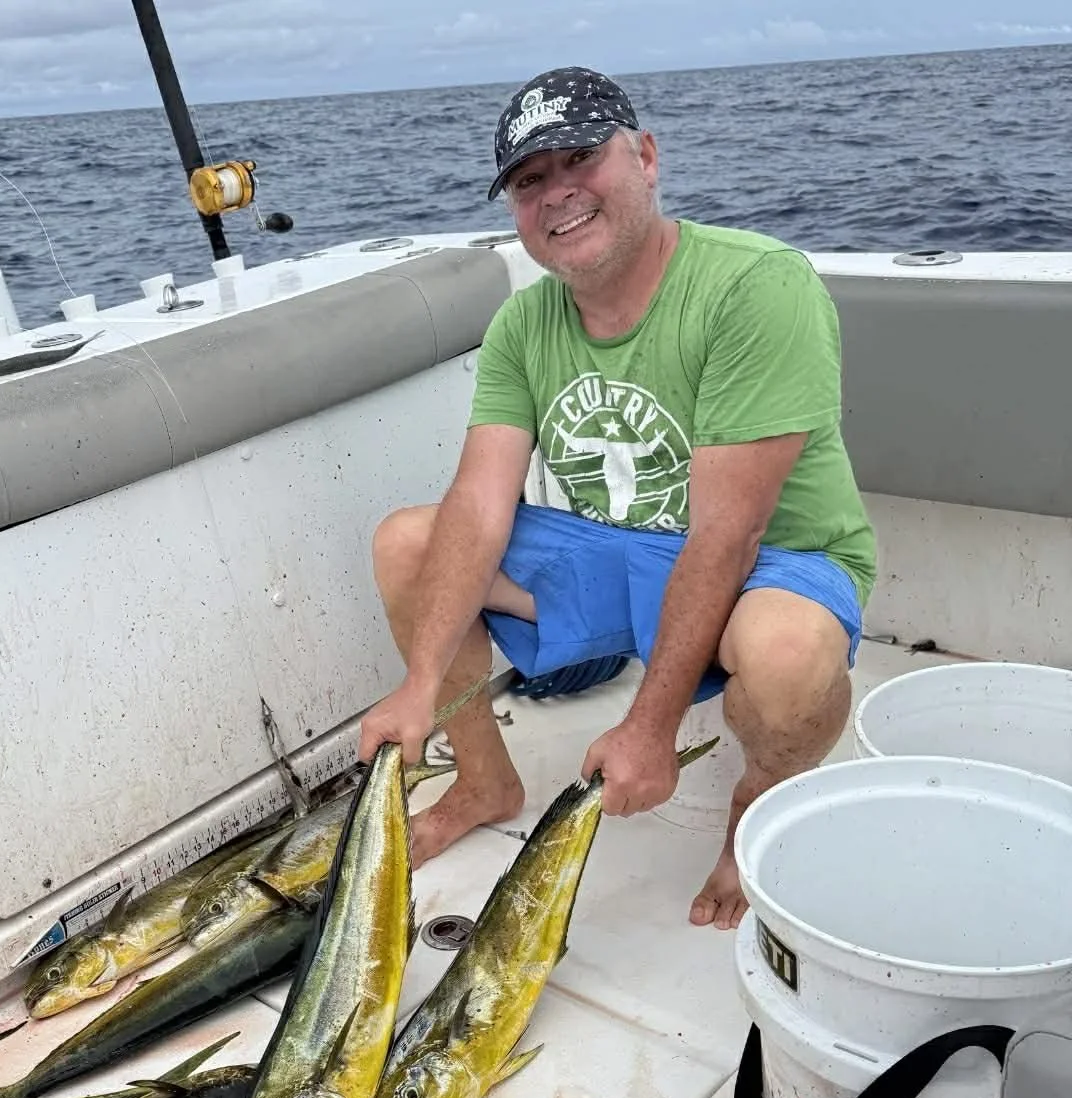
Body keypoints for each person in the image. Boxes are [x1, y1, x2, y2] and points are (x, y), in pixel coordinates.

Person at [357, 65, 877, 931]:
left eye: (580, 160)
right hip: (620, 547)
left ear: (645, 156)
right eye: (530, 181)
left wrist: (649, 729)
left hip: (771, 560)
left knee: (786, 653)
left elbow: (728, 535)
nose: (558, 194)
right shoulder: (525, 326)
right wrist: (417, 686)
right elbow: (480, 506)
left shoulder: (756, 286)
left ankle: (759, 803)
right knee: (408, 542)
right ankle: (485, 781)